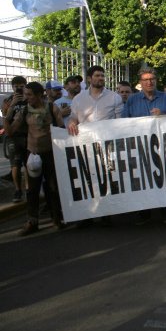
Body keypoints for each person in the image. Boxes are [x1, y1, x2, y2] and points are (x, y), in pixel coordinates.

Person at [68, 65, 124, 227]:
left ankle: (106, 213)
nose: (100, 78)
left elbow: (120, 122)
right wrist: (72, 122)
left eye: (102, 76)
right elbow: (73, 116)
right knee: (87, 179)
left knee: (105, 178)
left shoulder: (114, 97)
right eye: (97, 76)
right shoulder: (78, 99)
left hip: (107, 146)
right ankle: (87, 214)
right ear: (89, 79)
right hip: (84, 145)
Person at [6, 82, 64, 235]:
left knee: (53, 188)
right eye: (25, 94)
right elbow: (10, 131)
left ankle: (56, 218)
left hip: (51, 154)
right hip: (32, 155)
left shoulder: (52, 108)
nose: (27, 97)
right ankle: (32, 221)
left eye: (30, 95)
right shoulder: (24, 110)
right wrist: (10, 108)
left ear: (39, 95)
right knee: (32, 190)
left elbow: (61, 129)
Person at [123, 67, 166, 225]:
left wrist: (163, 116)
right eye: (145, 79)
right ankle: (144, 212)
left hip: (162, 146)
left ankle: (165, 209)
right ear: (140, 82)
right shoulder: (132, 100)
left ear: (156, 80)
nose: (149, 82)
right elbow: (123, 121)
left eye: (152, 79)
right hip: (140, 146)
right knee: (143, 177)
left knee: (163, 177)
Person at [1, 76, 29, 202]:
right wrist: (12, 105)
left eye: (21, 86)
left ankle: (29, 189)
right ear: (12, 87)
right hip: (14, 136)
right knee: (15, 165)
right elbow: (5, 115)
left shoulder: (29, 98)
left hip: (28, 135)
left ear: (25, 86)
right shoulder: (8, 100)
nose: (19, 89)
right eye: (16, 86)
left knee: (29, 164)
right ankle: (18, 190)